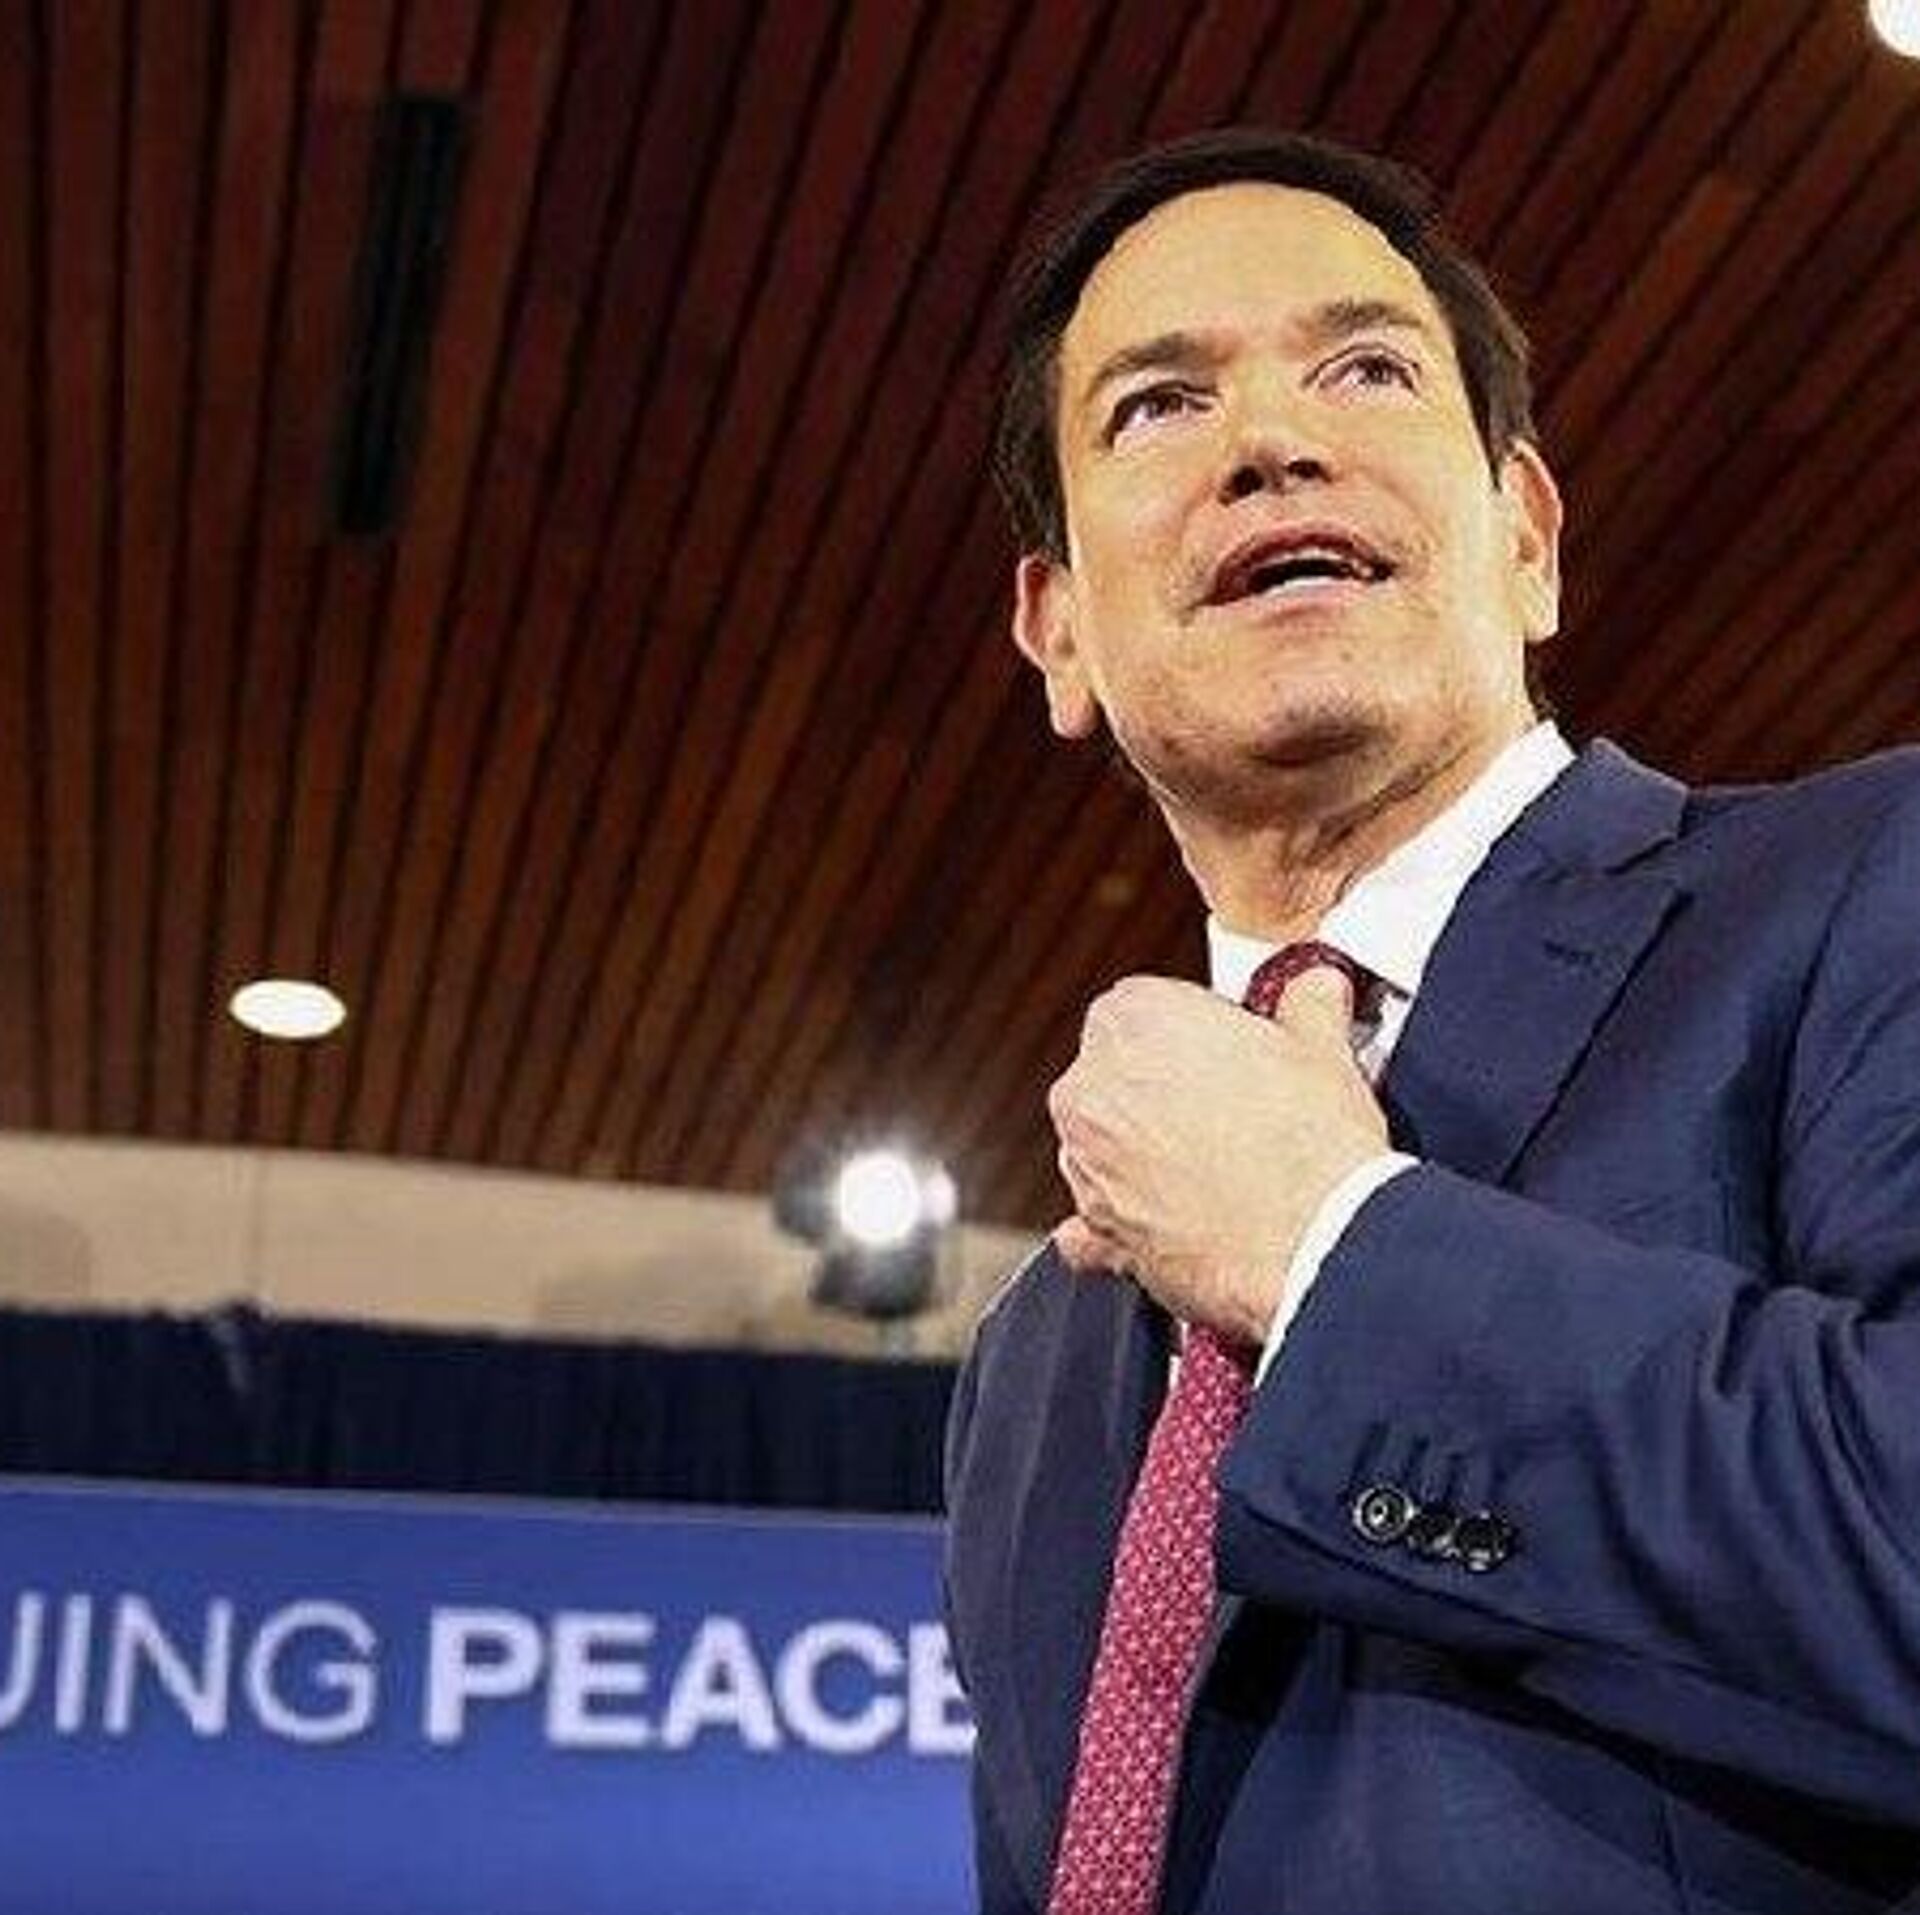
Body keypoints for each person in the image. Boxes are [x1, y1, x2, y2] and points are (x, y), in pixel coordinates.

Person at [942, 126, 1920, 1915]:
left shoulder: (1879, 884)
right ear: (1059, 632)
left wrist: (1326, 1252)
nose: (1271, 441)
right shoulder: (1033, 1361)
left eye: (1367, 370)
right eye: (1159, 405)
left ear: (1526, 538)